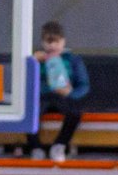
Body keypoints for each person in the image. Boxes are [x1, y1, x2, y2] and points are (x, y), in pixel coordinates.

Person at [24, 21, 89, 161]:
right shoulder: (36, 59)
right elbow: (23, 82)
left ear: (63, 42)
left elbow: (84, 85)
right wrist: (32, 63)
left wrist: (71, 93)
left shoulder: (73, 60)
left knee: (75, 113)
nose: (52, 46)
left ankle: (59, 145)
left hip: (63, 97)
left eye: (56, 42)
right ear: (42, 42)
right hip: (42, 97)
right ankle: (35, 147)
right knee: (29, 110)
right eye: (48, 41)